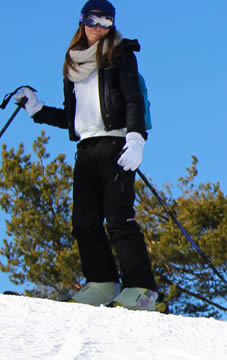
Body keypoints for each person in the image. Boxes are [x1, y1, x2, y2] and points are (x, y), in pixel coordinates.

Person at [13, 0, 159, 311]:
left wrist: (136, 138)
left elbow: (132, 98)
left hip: (117, 145)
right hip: (87, 148)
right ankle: (102, 283)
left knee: (119, 219)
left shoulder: (120, 54)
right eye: (94, 19)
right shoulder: (73, 64)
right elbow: (73, 116)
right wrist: (36, 110)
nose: (99, 27)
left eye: (107, 22)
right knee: (84, 220)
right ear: (82, 21)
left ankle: (141, 289)